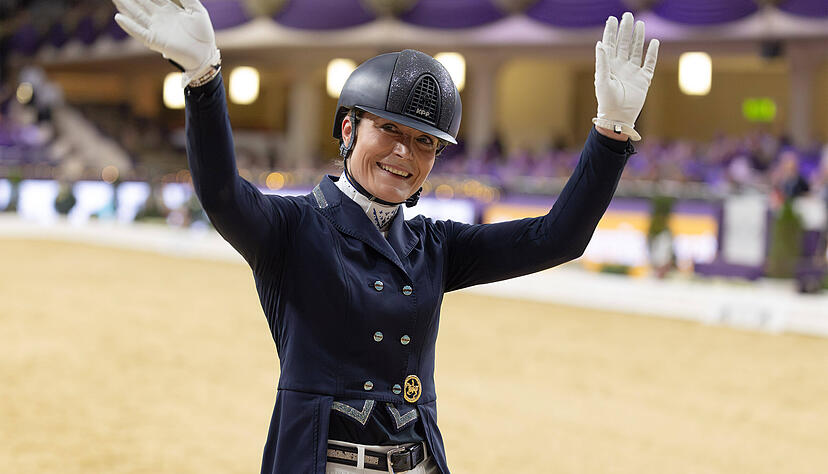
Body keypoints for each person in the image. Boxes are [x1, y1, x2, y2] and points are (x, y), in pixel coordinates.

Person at [112, 1, 658, 472]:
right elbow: (223, 194)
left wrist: (610, 135)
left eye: (425, 142)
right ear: (349, 129)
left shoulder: (436, 247)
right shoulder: (290, 230)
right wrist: (204, 80)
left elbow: (556, 238)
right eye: (389, 130)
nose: (405, 153)